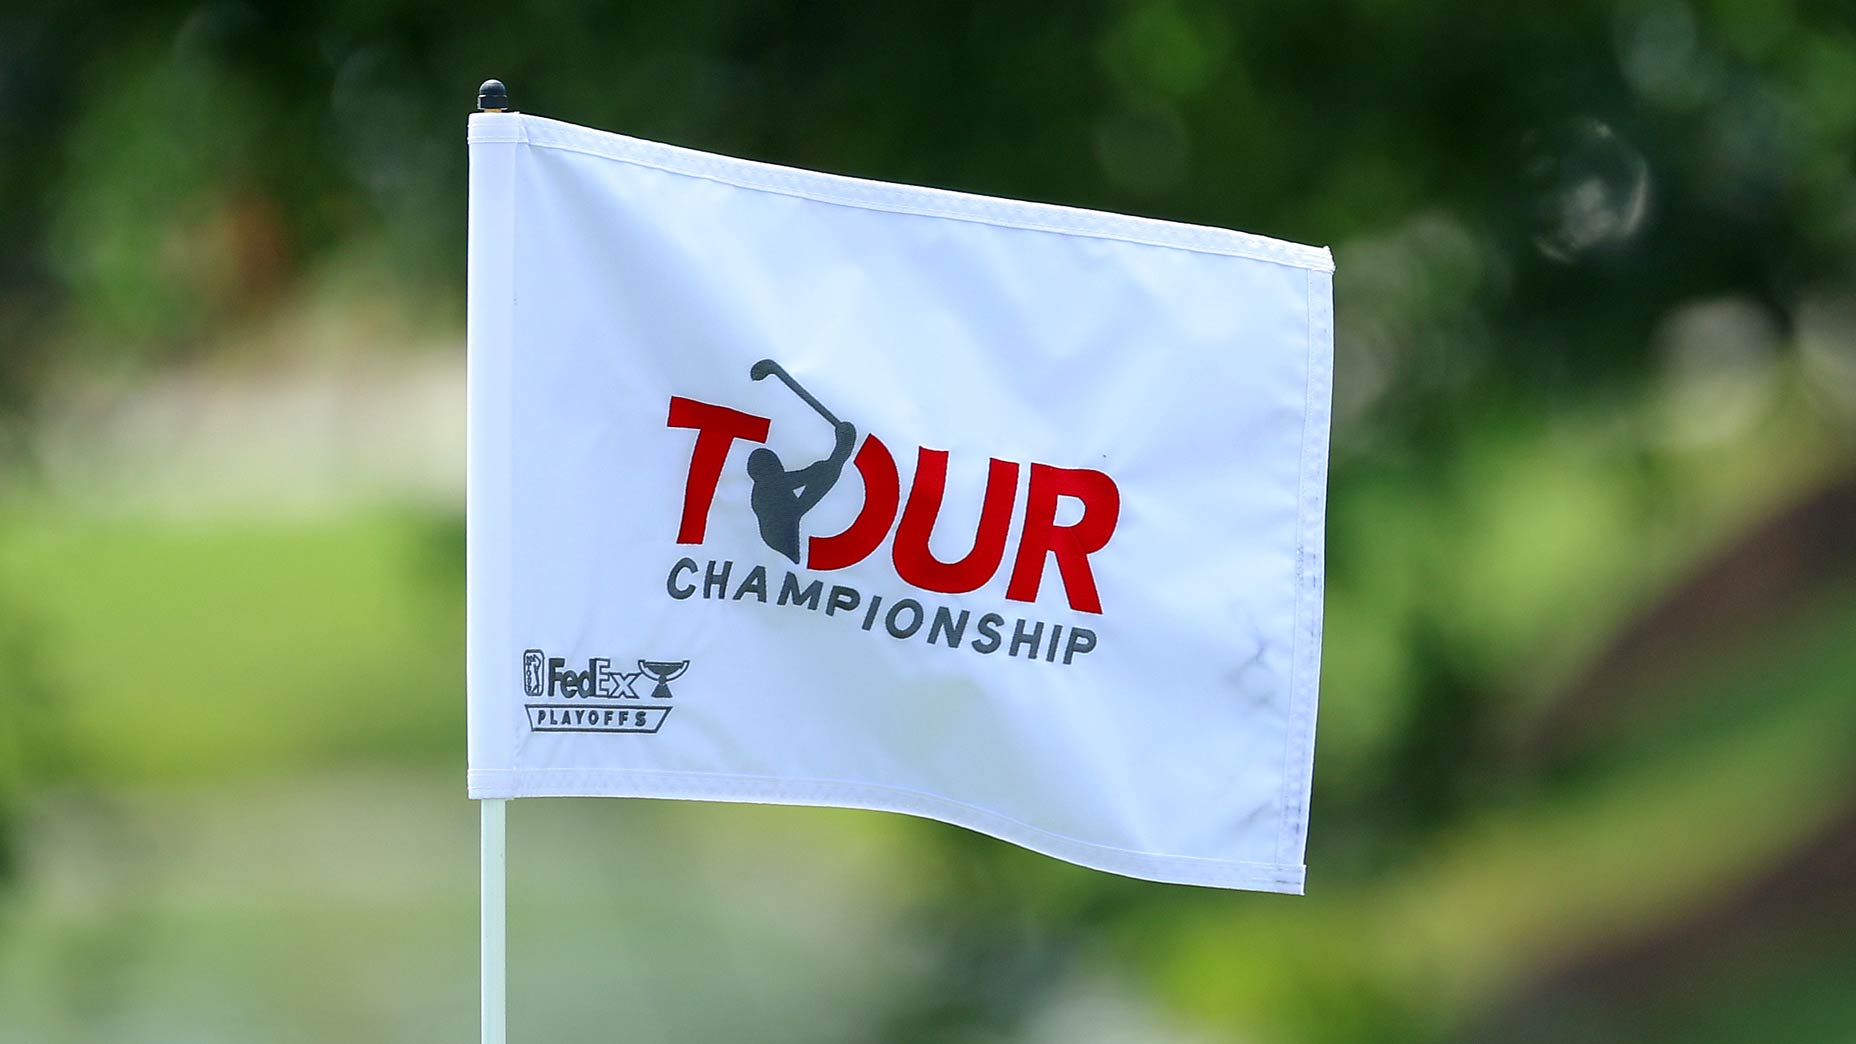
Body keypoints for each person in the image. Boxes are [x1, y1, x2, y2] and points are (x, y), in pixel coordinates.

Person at [747, 421, 857, 564]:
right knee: (827, 472)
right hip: (781, 543)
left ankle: (840, 453)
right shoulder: (767, 487)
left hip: (783, 537)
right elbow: (809, 475)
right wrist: (841, 449)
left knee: (827, 472)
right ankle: (841, 452)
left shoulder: (766, 485)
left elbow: (812, 474)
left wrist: (836, 455)